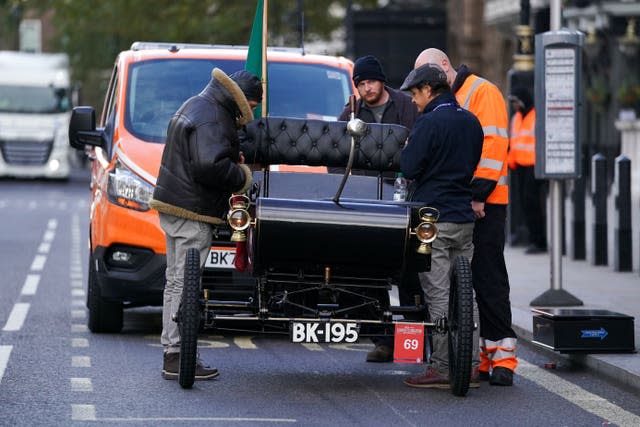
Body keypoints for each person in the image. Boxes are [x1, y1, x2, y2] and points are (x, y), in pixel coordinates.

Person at [149, 68, 262, 380]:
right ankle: (178, 355)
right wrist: (243, 176)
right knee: (186, 284)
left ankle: (172, 350)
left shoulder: (198, 104)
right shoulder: (214, 115)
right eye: (251, 107)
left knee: (174, 281)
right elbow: (209, 165)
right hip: (193, 209)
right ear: (241, 99)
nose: (249, 114)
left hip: (174, 204)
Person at [414, 48, 517, 386]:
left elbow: (492, 149)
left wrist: (477, 197)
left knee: (487, 279)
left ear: (444, 67)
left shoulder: (481, 92)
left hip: (485, 201)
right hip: (467, 201)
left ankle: (502, 358)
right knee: (469, 285)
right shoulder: (454, 99)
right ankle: (479, 358)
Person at [399, 63, 483, 388]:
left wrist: (409, 151)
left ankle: (443, 368)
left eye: (415, 94)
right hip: (463, 218)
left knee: (437, 295)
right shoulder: (471, 122)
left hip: (432, 219)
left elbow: (408, 167)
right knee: (467, 296)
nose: (414, 102)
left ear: (429, 90)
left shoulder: (428, 123)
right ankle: (471, 366)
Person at [337, 54, 421, 363]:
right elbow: (336, 153)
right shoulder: (351, 112)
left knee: (411, 271)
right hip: (367, 198)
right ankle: (382, 340)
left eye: (370, 81)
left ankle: (416, 340)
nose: (366, 88)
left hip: (404, 194)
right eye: (360, 83)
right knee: (366, 273)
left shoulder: (407, 105)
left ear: (381, 80)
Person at [508, 87, 547, 254]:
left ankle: (538, 241)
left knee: (533, 205)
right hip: (519, 167)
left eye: (516, 102)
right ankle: (532, 238)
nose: (514, 105)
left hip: (533, 166)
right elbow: (514, 142)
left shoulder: (535, 116)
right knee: (525, 204)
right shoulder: (516, 118)